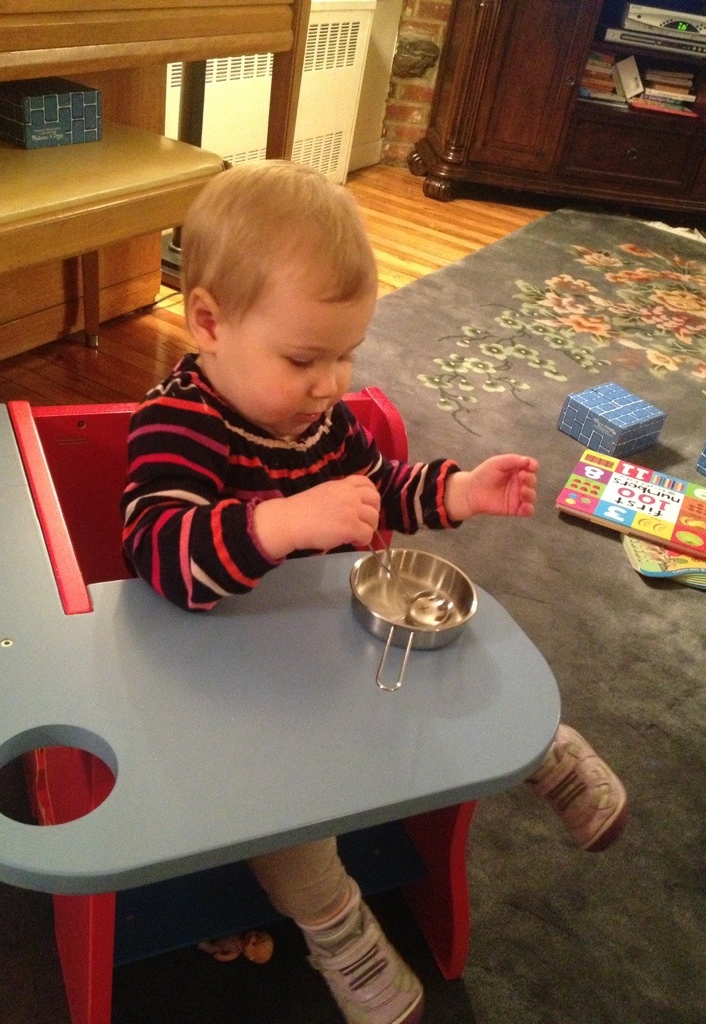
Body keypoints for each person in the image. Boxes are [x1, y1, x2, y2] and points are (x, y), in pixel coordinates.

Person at [121, 161, 628, 1024]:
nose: (333, 383)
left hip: (332, 645)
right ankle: (340, 932)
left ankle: (539, 748)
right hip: (229, 686)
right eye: (303, 358)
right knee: (284, 811)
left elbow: (382, 487)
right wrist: (281, 522)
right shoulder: (177, 423)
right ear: (208, 322)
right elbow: (159, 553)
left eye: (346, 354)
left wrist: (457, 491)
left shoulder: (322, 420)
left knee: (451, 656)